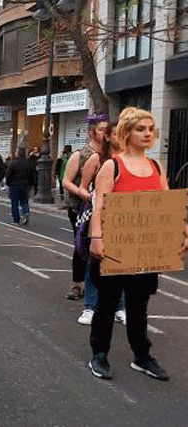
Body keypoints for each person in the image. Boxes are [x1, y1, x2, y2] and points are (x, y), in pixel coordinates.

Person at [87, 107, 187, 381]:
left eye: (150, 129)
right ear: (127, 132)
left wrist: (182, 229)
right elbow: (99, 206)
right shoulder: (113, 166)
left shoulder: (156, 166)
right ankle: (99, 355)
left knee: (138, 305)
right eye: (141, 129)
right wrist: (96, 237)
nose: (147, 134)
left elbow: (167, 204)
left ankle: (142, 356)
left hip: (144, 251)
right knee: (107, 305)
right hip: (115, 247)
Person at [74, 122, 126, 326]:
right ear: (108, 137)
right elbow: (82, 187)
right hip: (99, 216)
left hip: (123, 220)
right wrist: (95, 200)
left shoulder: (129, 161)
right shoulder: (98, 159)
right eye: (114, 133)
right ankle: (90, 307)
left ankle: (119, 307)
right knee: (94, 263)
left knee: (119, 264)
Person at [62, 115, 109, 301]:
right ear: (92, 132)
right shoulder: (79, 155)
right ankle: (77, 284)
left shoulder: (110, 155)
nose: (105, 133)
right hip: (80, 208)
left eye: (107, 130)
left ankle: (100, 285)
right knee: (81, 244)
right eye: (101, 129)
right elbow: (66, 181)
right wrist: (84, 195)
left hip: (103, 207)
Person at [5, 148, 35, 225]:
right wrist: (31, 184)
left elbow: (8, 175)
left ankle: (16, 220)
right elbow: (33, 175)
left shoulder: (13, 163)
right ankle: (26, 212)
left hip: (14, 185)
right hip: (25, 185)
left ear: (18, 153)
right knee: (24, 200)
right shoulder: (29, 163)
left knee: (14, 203)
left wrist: (8, 183)